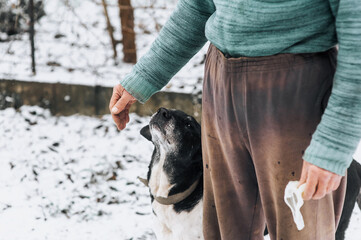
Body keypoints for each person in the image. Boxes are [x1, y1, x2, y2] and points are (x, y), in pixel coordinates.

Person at [109, 0, 361, 239]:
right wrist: (145, 75)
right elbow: (199, 6)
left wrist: (333, 144)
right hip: (220, 87)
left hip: (297, 92)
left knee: (302, 231)